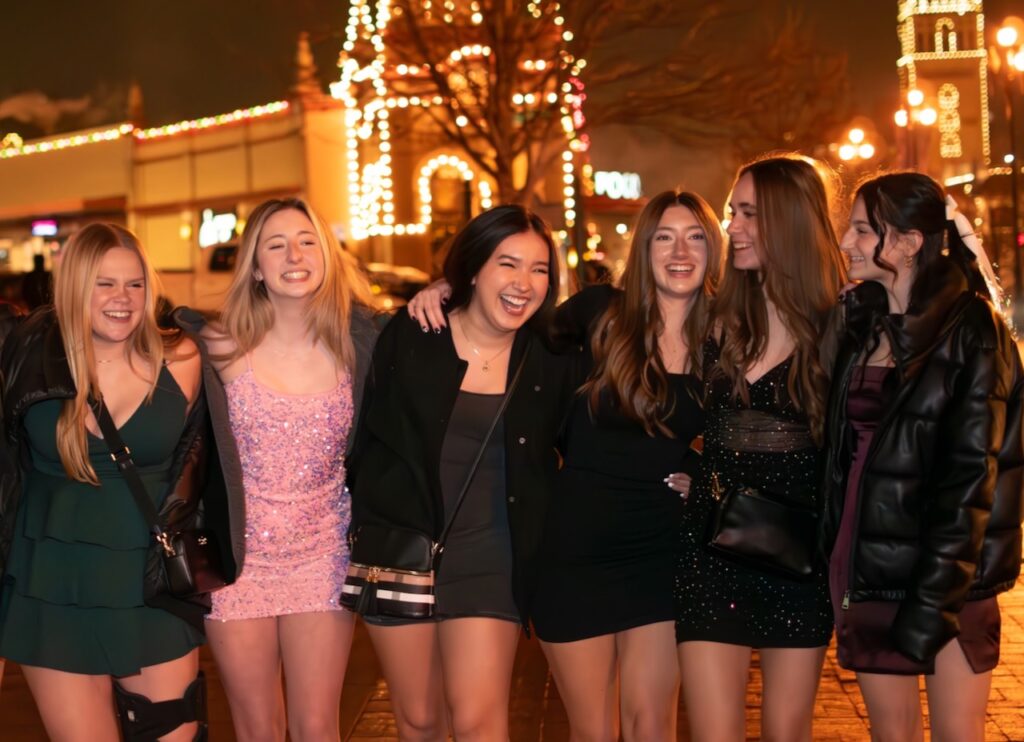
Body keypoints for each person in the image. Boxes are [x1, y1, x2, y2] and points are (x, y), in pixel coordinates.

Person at [0, 222, 242, 740]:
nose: (122, 299)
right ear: (73, 286)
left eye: (134, 284)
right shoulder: (26, 351)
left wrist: (450, 290)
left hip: (151, 583)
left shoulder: (182, 358)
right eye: (103, 283)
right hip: (50, 585)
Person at [347, 205, 576, 741]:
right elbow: (368, 437)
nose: (524, 283)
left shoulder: (551, 355)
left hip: (491, 557)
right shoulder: (414, 333)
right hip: (403, 552)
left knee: (477, 721)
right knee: (421, 721)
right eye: (507, 264)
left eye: (539, 269)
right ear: (473, 268)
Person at [821, 172, 1023, 742]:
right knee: (892, 734)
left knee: (958, 735)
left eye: (863, 230)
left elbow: (971, 481)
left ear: (909, 242)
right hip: (871, 568)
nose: (846, 243)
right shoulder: (861, 326)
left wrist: (935, 603)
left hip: (950, 581)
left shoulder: (972, 330)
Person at [674, 154, 846, 741]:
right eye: (732, 212)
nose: (734, 227)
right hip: (710, 552)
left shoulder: (843, 322)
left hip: (801, 559)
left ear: (791, 220)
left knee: (785, 731)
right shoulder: (713, 315)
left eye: (749, 213)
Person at [199, 197, 379, 741]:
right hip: (240, 561)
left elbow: (447, 327)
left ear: (327, 255)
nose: (293, 255)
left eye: (306, 241)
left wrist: (444, 290)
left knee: (317, 725)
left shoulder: (358, 344)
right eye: (275, 245)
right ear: (256, 267)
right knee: (257, 727)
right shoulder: (217, 347)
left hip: (323, 555)